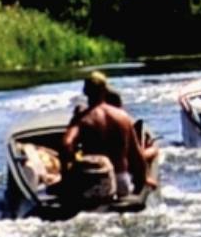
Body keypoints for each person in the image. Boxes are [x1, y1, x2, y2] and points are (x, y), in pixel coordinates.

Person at [59, 71, 158, 210]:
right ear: (105, 89)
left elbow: (66, 145)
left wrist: (67, 174)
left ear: (85, 91)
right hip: (121, 183)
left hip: (92, 183)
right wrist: (142, 182)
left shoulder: (83, 119)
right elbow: (136, 156)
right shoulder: (123, 117)